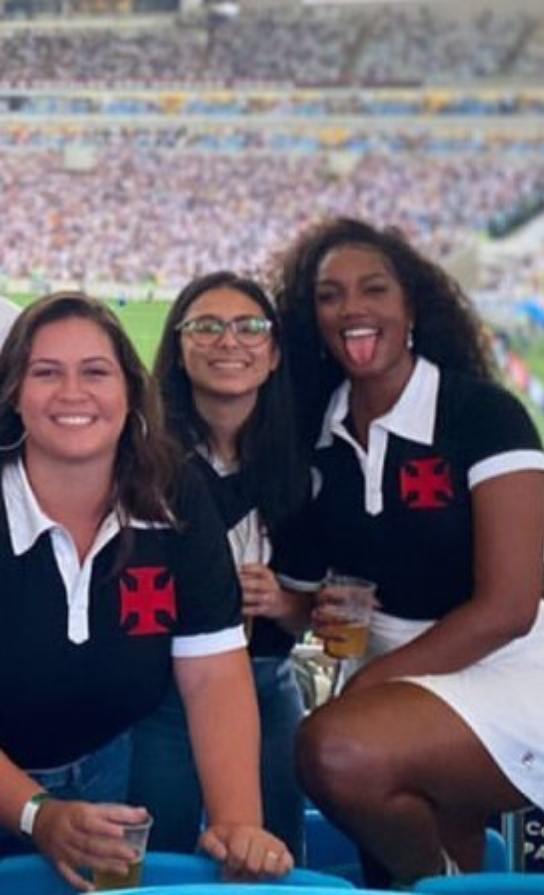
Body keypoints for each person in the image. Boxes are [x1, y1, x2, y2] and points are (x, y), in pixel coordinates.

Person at [272, 218, 544, 886]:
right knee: (384, 856)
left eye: (374, 289)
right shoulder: (314, 434)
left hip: (505, 669)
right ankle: (451, 878)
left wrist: (369, 684)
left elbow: (508, 606)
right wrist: (303, 607)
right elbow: (298, 601)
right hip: (391, 678)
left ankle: (445, 882)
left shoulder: (481, 415)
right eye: (329, 295)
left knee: (333, 748)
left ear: (411, 305)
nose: (352, 308)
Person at [0, 292, 293, 889]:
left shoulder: (173, 494)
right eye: (46, 373)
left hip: (106, 773)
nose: (73, 393)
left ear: (132, 391)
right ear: (13, 393)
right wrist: (37, 813)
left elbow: (213, 672)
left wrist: (239, 825)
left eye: (96, 372)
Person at [129, 272, 311, 858]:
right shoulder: (142, 459)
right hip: (163, 694)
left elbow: (326, 606)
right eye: (205, 326)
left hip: (268, 682)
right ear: (178, 349)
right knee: (161, 858)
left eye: (249, 327)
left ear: (275, 351)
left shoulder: (306, 459)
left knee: (272, 855)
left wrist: (285, 602)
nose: (227, 342)